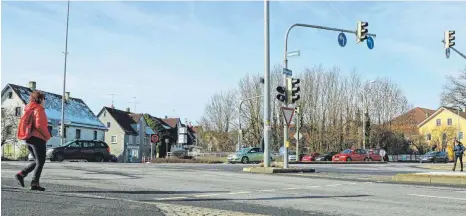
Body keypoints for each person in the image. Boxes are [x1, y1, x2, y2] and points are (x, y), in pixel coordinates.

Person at [15, 91, 51, 191]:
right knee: (41, 162)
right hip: (38, 138)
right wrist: (47, 136)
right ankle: (34, 183)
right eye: (44, 99)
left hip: (29, 138)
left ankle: (21, 174)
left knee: (37, 161)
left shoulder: (29, 108)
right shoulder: (39, 109)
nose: (45, 101)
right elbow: (39, 126)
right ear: (40, 99)